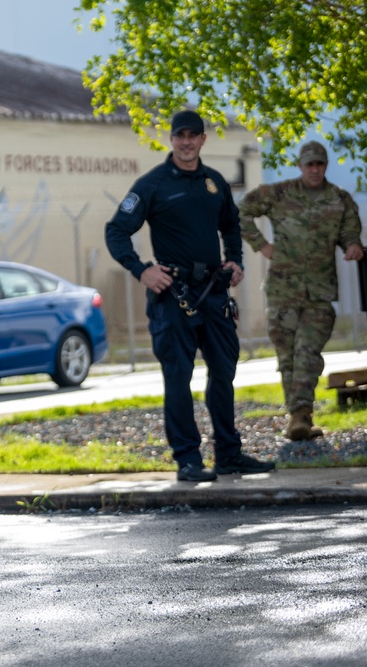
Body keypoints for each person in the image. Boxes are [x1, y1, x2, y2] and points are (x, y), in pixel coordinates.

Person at [105, 109, 276, 482]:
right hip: (173, 296)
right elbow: (116, 231)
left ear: (202, 140)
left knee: (224, 373)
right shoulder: (152, 185)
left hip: (213, 292)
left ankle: (229, 455)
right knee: (178, 377)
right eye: (179, 136)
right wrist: (142, 270)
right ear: (171, 139)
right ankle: (188, 459)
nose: (186, 142)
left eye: (192, 136)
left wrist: (234, 260)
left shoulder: (214, 182)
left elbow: (231, 226)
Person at [238, 140, 364, 440]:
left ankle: (300, 413)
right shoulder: (279, 193)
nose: (315, 169)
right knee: (287, 357)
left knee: (307, 351)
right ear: (300, 166)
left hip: (320, 292)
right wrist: (262, 245)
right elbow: (241, 211)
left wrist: (353, 245)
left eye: (320, 164)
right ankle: (298, 417)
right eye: (310, 164)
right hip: (283, 289)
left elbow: (349, 230)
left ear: (325, 166)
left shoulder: (339, 198)